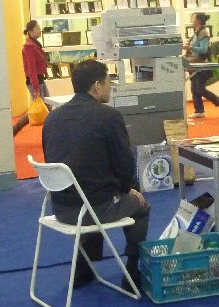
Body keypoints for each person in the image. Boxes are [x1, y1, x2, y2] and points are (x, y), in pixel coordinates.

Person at [42, 59, 150, 290]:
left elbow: (52, 160)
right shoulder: (109, 116)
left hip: (60, 208)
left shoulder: (52, 118)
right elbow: (125, 166)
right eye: (109, 82)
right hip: (93, 208)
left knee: (93, 191)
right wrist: (129, 189)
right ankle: (132, 272)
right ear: (97, 86)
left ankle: (83, 268)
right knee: (140, 206)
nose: (111, 87)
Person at [12, 20, 50, 136]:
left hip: (39, 79)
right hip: (35, 81)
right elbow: (31, 69)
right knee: (39, 109)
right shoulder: (29, 47)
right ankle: (15, 129)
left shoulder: (35, 45)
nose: (40, 30)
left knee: (47, 106)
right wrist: (36, 88)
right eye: (37, 28)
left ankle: (50, 132)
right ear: (31, 31)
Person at [184, 12, 219, 119]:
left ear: (198, 21)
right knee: (194, 89)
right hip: (195, 65)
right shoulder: (196, 32)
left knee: (199, 89)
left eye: (193, 18)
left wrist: (190, 48)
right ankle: (199, 111)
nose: (191, 20)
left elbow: (203, 49)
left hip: (202, 65)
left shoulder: (203, 32)